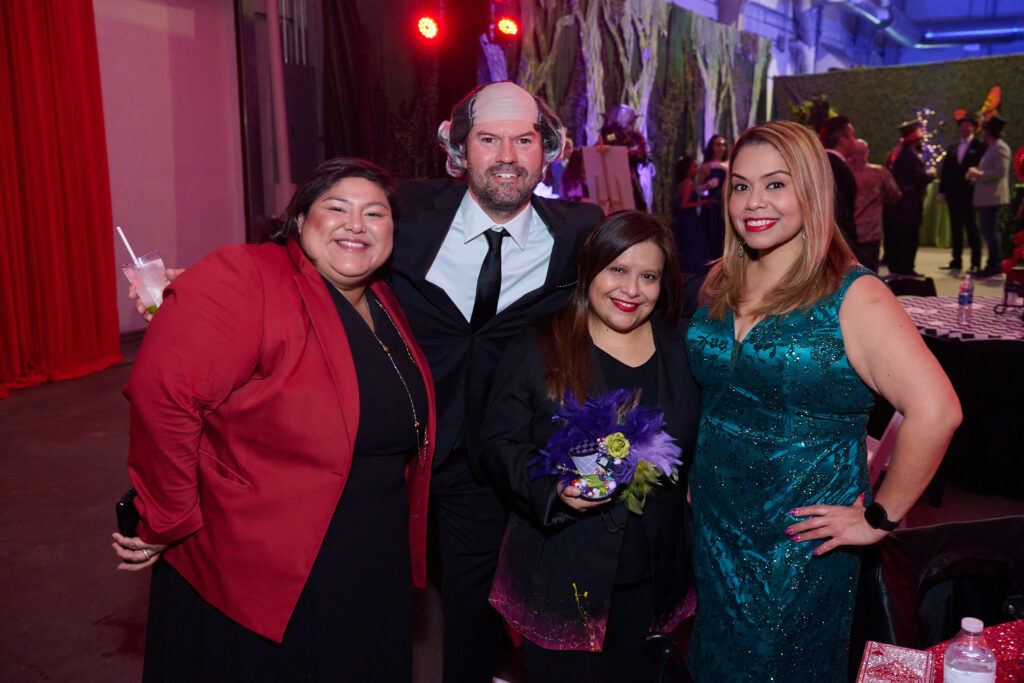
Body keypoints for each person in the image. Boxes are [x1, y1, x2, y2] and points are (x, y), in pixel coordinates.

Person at [111, 158, 437, 681]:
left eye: (374, 214)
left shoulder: (382, 298)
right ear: (300, 219)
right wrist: (168, 516)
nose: (356, 224)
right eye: (337, 208)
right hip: (266, 566)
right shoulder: (249, 274)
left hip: (369, 555)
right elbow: (163, 396)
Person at [685, 120, 961, 680]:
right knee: (713, 658)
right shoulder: (719, 283)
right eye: (740, 186)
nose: (754, 202)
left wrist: (878, 517)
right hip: (714, 520)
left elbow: (937, 411)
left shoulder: (854, 294)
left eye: (775, 184)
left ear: (812, 191)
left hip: (798, 539)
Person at [393, 81, 605, 682]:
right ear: (461, 151)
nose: (507, 155)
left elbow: (647, 273)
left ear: (547, 152)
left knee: (470, 608)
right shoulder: (405, 211)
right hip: (392, 447)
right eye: (489, 139)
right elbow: (313, 242)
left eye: (524, 139)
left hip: (488, 460)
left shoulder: (577, 231)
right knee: (369, 597)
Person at [482, 211, 698, 681]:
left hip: (653, 574)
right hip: (563, 574)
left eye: (649, 276)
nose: (631, 290)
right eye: (617, 270)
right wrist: (554, 491)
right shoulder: (537, 346)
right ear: (589, 270)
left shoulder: (681, 350)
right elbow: (499, 443)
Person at [884, 120, 936, 276]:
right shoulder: (909, 157)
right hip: (909, 205)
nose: (922, 143)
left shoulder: (901, 155)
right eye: (920, 140)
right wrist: (931, 174)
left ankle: (899, 267)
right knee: (909, 236)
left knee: (902, 236)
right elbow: (919, 178)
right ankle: (906, 268)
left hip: (903, 205)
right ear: (914, 141)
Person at [938, 111, 986, 273]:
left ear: (974, 128)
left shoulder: (980, 147)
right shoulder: (952, 146)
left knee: (972, 227)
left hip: (970, 194)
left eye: (968, 125)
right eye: (962, 125)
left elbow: (983, 168)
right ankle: (956, 260)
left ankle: (975, 262)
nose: (965, 128)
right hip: (953, 194)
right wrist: (942, 191)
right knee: (955, 227)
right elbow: (946, 170)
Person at [967, 115, 1011, 278]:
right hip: (986, 197)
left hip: (992, 197)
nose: (982, 134)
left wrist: (978, 173)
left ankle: (995, 264)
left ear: (989, 132)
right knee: (987, 231)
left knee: (991, 231)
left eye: (984, 130)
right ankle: (993, 262)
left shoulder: (1000, 148)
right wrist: (975, 176)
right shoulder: (992, 148)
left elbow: (1000, 172)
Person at [849, 138, 901, 272]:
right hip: (870, 232)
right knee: (869, 274)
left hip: (846, 232)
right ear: (867, 153)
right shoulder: (878, 172)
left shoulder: (842, 172)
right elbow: (894, 194)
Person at [819, 116, 860, 254]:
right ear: (843, 139)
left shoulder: (817, 163)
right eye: (852, 136)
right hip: (836, 246)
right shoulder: (839, 169)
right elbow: (841, 214)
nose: (854, 141)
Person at [673, 155, 715, 274]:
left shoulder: (682, 183)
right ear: (687, 169)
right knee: (693, 246)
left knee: (687, 246)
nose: (697, 170)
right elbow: (684, 204)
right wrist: (703, 202)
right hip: (689, 219)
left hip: (683, 219)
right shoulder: (688, 183)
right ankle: (695, 271)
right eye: (694, 167)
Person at [697, 134, 729, 262]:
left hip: (726, 204)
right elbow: (699, 190)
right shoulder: (706, 166)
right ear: (712, 147)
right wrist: (708, 185)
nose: (721, 147)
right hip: (712, 207)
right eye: (718, 144)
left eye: (723, 144)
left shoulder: (728, 165)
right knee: (712, 235)